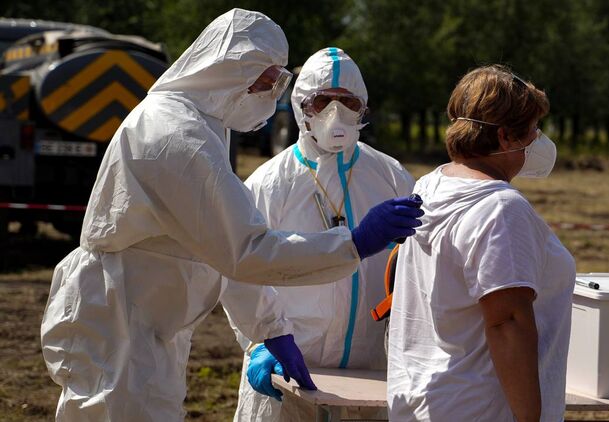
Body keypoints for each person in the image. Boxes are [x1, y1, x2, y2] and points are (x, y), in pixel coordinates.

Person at [40, 10, 423, 422]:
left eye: (277, 82)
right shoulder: (175, 136)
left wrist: (270, 327)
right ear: (227, 69)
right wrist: (353, 244)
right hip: (121, 326)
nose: (270, 94)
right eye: (265, 81)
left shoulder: (200, 126)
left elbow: (219, 250)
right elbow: (246, 250)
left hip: (144, 321)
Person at [226, 47, 415, 421]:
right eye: (323, 101)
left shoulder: (390, 176)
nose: (335, 113)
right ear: (301, 106)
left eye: (348, 102)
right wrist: (257, 343)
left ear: (363, 108)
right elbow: (237, 270)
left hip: (369, 375)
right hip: (288, 370)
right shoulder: (269, 183)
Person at [387, 65, 576, 422]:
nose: (538, 140)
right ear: (505, 137)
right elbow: (507, 322)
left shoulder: (429, 185)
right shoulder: (500, 208)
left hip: (427, 402)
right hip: (483, 410)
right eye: (532, 129)